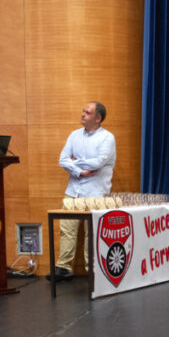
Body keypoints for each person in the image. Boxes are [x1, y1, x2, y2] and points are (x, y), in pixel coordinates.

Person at [53, 101, 116, 281]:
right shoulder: (74, 135)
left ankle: (93, 271)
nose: (82, 114)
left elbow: (98, 163)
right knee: (67, 229)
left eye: (87, 113)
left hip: (96, 192)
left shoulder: (107, 138)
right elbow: (62, 160)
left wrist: (74, 162)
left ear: (98, 118)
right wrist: (79, 170)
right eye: (83, 111)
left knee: (93, 233)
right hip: (73, 190)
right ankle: (63, 268)